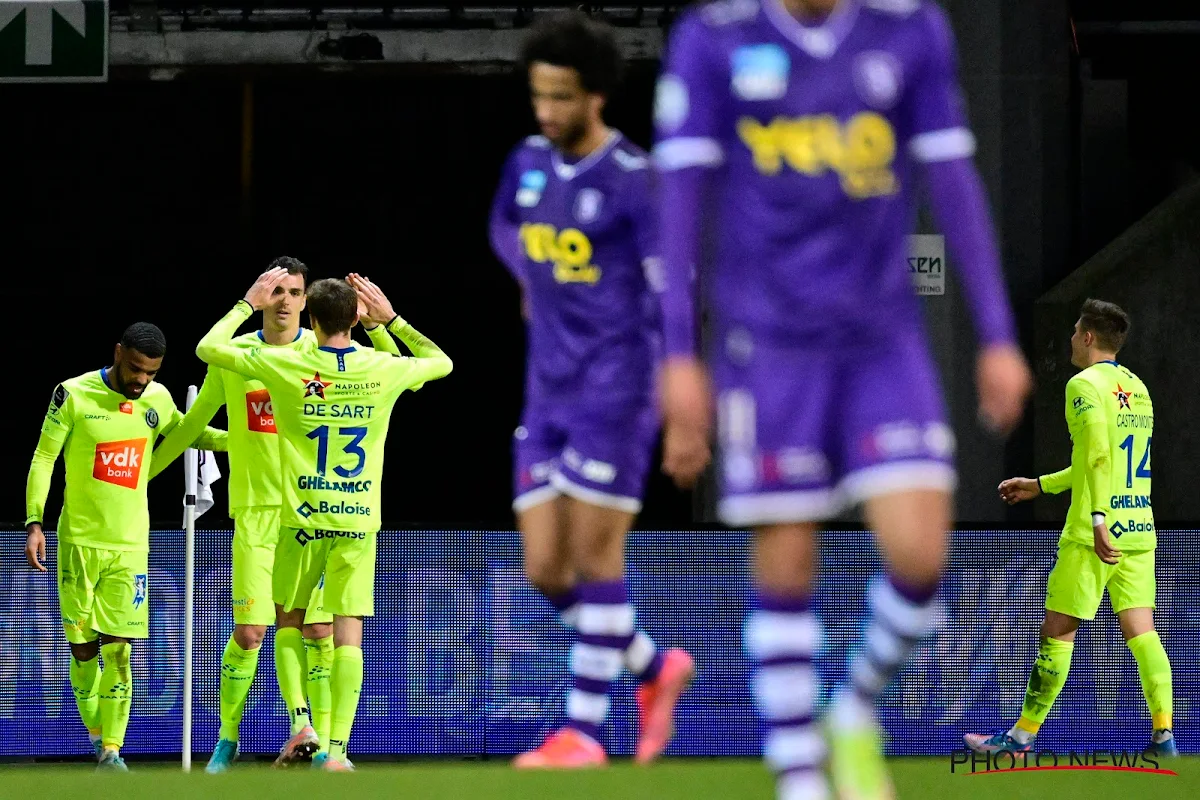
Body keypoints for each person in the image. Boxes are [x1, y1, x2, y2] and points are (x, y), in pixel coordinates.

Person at [652, 0, 1033, 797]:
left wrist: (997, 333)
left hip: (880, 337)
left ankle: (853, 706)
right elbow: (680, 204)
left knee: (921, 554)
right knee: (786, 559)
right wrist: (678, 352)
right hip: (765, 342)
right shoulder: (715, 38)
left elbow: (953, 179)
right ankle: (799, 776)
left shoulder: (910, 28)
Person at [489, 10, 695, 768]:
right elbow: (504, 227)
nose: (548, 112)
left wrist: (681, 396)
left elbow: (676, 290)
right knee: (546, 568)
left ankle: (583, 733)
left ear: (598, 94)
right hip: (546, 391)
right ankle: (652, 667)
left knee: (594, 559)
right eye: (540, 96)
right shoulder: (528, 162)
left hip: (618, 388)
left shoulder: (636, 183)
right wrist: (527, 276)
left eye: (563, 98)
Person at [149, 256, 405, 771]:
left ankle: (318, 740)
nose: (285, 300)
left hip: (309, 514)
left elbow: (393, 376)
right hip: (255, 512)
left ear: (308, 302)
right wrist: (142, 477)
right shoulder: (235, 355)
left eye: (294, 291)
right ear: (263, 296)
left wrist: (382, 328)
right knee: (250, 633)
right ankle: (228, 738)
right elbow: (195, 426)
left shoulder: (323, 354)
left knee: (318, 632)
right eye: (277, 290)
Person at [194, 268, 452, 771]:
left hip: (304, 518)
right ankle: (336, 752)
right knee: (346, 632)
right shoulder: (380, 366)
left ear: (310, 318)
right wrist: (390, 322)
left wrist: (247, 304)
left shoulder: (286, 364)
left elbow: (207, 348)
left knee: (288, 621)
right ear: (355, 316)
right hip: (358, 522)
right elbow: (440, 361)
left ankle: (302, 723)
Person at [966, 299, 1175, 756]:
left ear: (1087, 337)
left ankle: (1020, 738)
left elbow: (1099, 452)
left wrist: (1098, 520)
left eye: (1075, 330)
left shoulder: (1082, 385)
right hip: (1139, 525)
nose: (1070, 339)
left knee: (1057, 632)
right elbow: (1096, 462)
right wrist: (1040, 485)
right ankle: (1165, 735)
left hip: (1092, 533)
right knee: (1143, 631)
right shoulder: (1136, 388)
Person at [25, 323, 226, 771]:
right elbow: (44, 458)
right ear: (118, 353)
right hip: (78, 542)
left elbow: (191, 434)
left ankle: (113, 751)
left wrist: (243, 440)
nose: (141, 381)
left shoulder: (157, 400)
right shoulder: (72, 395)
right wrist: (34, 520)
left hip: (131, 546)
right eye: (135, 369)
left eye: (150, 373)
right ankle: (97, 737)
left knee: (119, 649)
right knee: (82, 649)